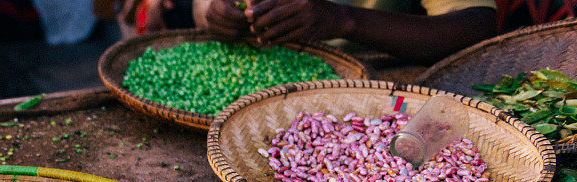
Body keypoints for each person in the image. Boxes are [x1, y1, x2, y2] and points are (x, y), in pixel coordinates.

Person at [197, 0, 496, 63]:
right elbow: (199, 6)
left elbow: (476, 26)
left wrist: (345, 20)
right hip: (252, 66)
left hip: (373, 79)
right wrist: (213, 13)